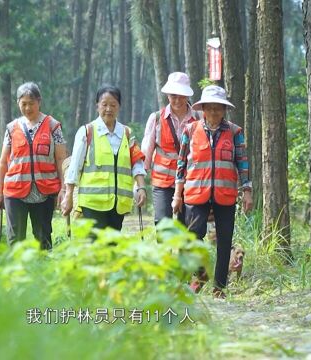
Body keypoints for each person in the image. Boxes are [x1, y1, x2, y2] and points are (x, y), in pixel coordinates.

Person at [171, 85, 253, 299]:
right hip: (196, 193)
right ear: (203, 109)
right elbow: (181, 164)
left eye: (219, 108)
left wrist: (247, 191)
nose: (214, 112)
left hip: (225, 195)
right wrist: (177, 195)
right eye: (210, 108)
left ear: (224, 110)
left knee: (224, 240)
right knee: (194, 237)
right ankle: (198, 277)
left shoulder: (235, 132)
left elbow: (242, 163)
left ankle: (220, 287)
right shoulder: (190, 130)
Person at [61, 85, 146, 231]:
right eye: (104, 104)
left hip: (118, 203)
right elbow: (74, 166)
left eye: (113, 105)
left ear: (119, 106)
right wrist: (68, 195)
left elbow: (137, 162)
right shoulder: (87, 131)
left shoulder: (127, 133)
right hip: (92, 202)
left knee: (112, 246)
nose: (109, 109)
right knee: (96, 244)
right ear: (97, 106)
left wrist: (141, 187)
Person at [0, 82, 66, 250]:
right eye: (23, 103)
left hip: (44, 190)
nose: (27, 108)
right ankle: (17, 274)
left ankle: (43, 274)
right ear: (18, 103)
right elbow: (3, 163)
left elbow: (61, 159)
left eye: (31, 103)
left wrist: (63, 189)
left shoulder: (53, 126)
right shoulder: (11, 128)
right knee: (15, 240)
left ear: (39, 102)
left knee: (43, 239)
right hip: (15, 190)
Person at [141, 72, 201, 226]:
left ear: (187, 96)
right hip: (163, 181)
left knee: (188, 226)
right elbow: (146, 153)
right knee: (162, 223)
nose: (177, 100)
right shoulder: (156, 118)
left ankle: (184, 251)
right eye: (173, 95)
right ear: (168, 95)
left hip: (191, 180)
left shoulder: (199, 119)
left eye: (181, 95)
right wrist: (140, 183)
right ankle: (164, 251)